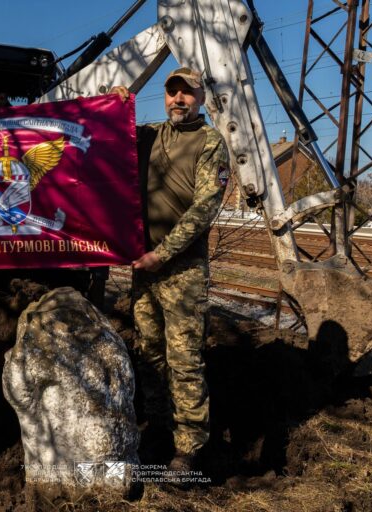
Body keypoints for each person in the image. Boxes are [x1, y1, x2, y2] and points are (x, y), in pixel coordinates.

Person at [111, 67, 230, 473]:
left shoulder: (210, 143)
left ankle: (188, 448)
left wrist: (162, 254)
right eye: (172, 92)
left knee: (184, 360)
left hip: (183, 270)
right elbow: (106, 138)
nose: (178, 99)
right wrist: (114, 103)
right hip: (145, 267)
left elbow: (204, 209)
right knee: (148, 354)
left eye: (187, 93)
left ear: (201, 98)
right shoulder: (149, 135)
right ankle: (158, 430)